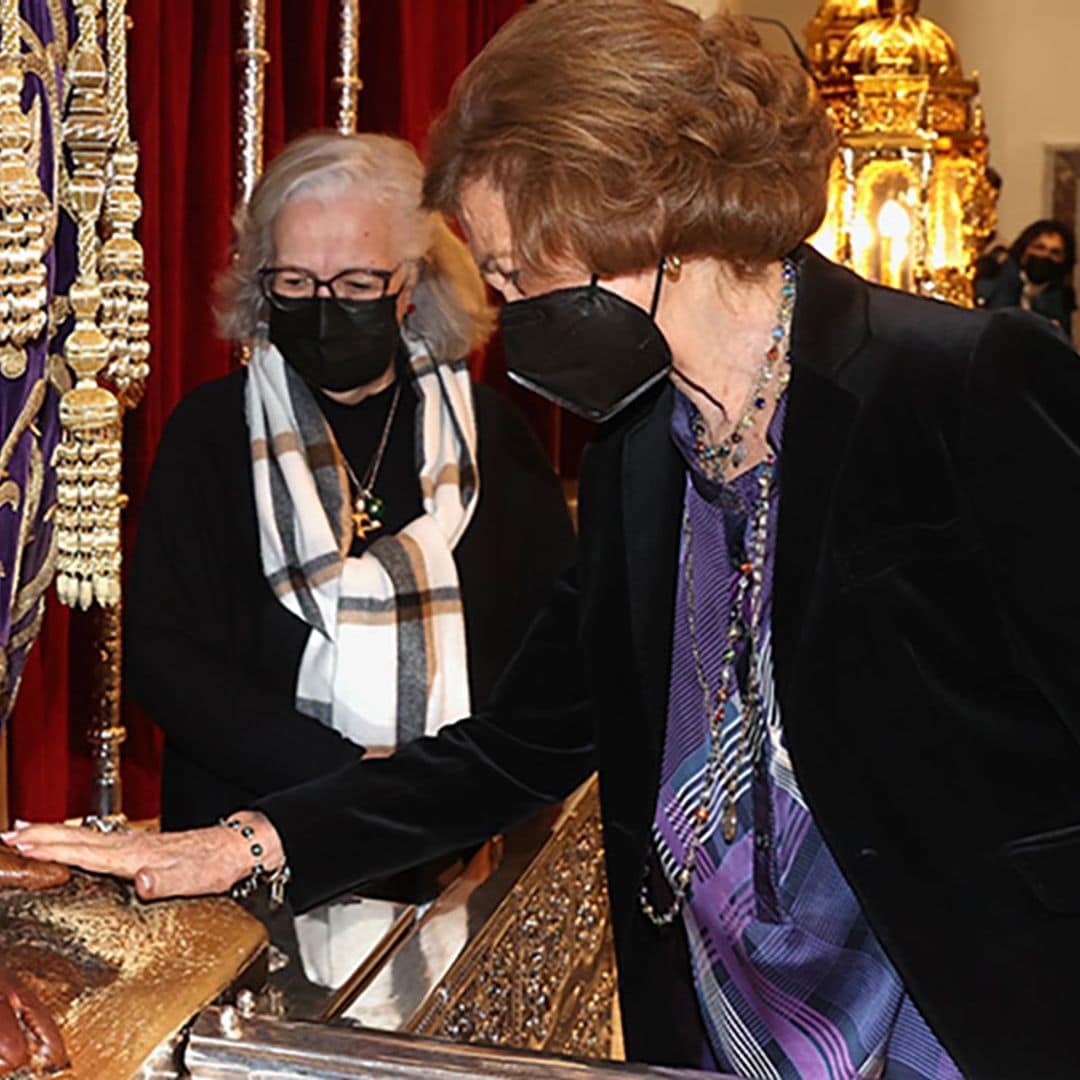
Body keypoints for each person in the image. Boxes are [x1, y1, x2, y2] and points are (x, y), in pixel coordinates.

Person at [8, 3, 1080, 1077]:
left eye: (520, 270)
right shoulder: (639, 448)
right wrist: (240, 844)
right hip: (727, 1037)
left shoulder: (960, 386)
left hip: (967, 1025)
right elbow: (518, 746)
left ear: (634, 211)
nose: (506, 305)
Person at [123, 131, 574, 831]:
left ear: (412, 287)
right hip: (243, 833)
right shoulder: (210, 431)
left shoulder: (493, 436)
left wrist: (454, 784)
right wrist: (352, 781)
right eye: (296, 283)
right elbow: (165, 656)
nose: (325, 306)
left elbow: (551, 646)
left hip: (460, 831)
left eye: (359, 284)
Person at [975, 217, 1077, 340]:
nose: (1045, 255)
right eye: (1040, 248)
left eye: (1055, 252)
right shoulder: (994, 281)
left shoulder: (1061, 299)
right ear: (1024, 251)